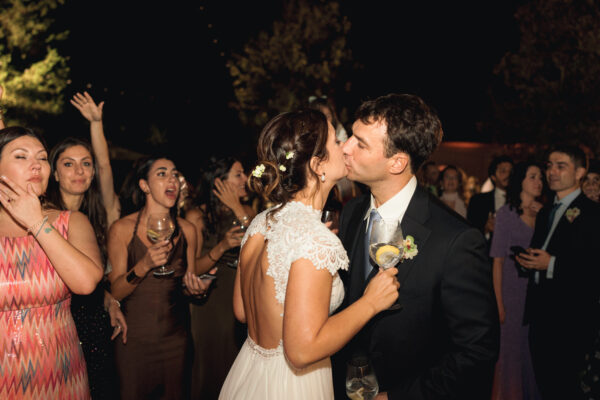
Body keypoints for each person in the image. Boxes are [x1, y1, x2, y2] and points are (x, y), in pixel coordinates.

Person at [218, 109, 400, 399]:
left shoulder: (261, 222)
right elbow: (301, 352)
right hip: (290, 387)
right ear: (318, 165)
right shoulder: (314, 238)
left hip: (250, 373)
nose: (346, 147)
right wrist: (370, 303)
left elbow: (242, 311)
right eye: (336, 141)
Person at [332, 93, 499, 400]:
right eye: (350, 136)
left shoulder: (456, 240)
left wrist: (396, 397)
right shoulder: (352, 213)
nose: (345, 147)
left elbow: (477, 350)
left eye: (360, 143)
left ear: (397, 162)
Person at [0, 126, 104, 398]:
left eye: (42, 157)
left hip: (60, 375)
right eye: (21, 156)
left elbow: (85, 283)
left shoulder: (72, 222)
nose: (36, 164)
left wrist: (36, 223)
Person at [107, 155, 212, 400]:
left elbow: (186, 284)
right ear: (144, 185)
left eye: (175, 174)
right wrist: (144, 265)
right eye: (162, 174)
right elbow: (116, 292)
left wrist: (197, 289)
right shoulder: (122, 229)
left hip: (176, 340)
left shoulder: (187, 230)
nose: (172, 179)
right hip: (133, 341)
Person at [46, 91, 126, 399]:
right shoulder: (41, 218)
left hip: (94, 323)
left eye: (85, 164)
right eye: (68, 164)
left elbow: (107, 167)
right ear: (54, 172)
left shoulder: (102, 214)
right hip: (54, 323)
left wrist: (96, 123)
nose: (79, 171)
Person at [517, 144, 600, 400]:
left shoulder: (593, 213)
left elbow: (593, 268)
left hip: (570, 320)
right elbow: (543, 253)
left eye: (561, 166)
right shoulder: (546, 212)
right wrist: (528, 262)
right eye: (549, 166)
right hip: (541, 316)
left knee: (565, 389)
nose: (552, 172)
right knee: (546, 386)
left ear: (579, 173)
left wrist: (551, 264)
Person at [189, 156, 255, 399]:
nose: (245, 179)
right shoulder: (197, 216)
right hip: (212, 300)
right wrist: (222, 247)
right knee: (213, 364)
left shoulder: (248, 211)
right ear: (219, 183)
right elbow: (193, 269)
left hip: (243, 295)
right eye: (238, 174)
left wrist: (237, 208)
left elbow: (262, 247)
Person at [489, 161, 544, 400]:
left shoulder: (545, 213)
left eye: (540, 177)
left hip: (536, 293)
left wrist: (542, 215)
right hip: (511, 292)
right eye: (532, 176)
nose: (538, 182)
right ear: (520, 180)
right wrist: (499, 303)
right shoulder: (506, 214)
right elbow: (497, 262)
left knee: (531, 351)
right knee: (510, 352)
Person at [467, 155, 514, 243]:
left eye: (511, 171)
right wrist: (486, 230)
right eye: (503, 171)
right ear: (493, 177)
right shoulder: (478, 201)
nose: (508, 175)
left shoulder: (520, 200)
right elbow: (471, 232)